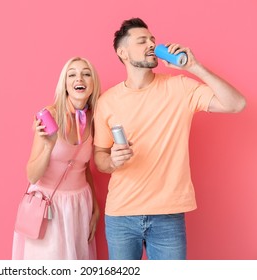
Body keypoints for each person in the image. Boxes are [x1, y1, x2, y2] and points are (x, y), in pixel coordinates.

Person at [93, 18, 246, 260]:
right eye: (142, 40)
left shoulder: (181, 88)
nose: (151, 44)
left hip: (168, 216)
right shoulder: (107, 102)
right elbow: (99, 158)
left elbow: (236, 104)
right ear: (122, 52)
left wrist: (194, 67)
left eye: (152, 39)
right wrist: (112, 161)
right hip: (121, 215)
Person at [12, 57, 101, 259]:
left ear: (93, 82)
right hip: (48, 207)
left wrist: (95, 206)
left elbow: (84, 167)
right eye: (72, 74)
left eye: (86, 73)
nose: (79, 78)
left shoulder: (95, 118)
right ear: (65, 84)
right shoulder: (49, 115)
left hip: (80, 204)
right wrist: (48, 145)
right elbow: (32, 176)